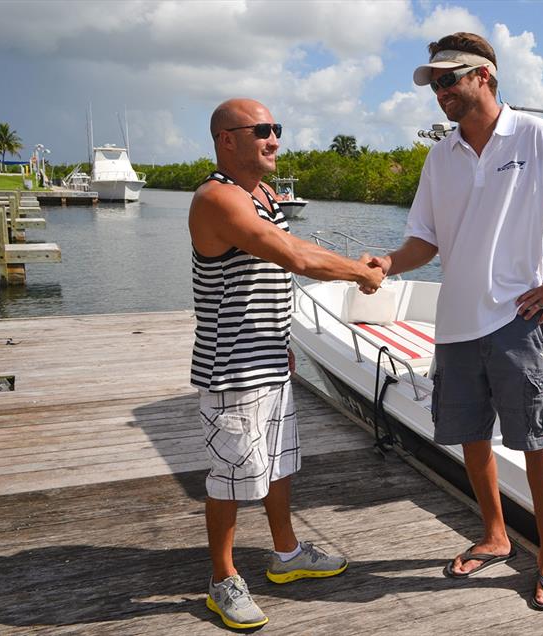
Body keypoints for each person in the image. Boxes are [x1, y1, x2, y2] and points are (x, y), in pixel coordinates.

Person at [370, 33, 543, 611]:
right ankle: (496, 534)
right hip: (454, 323)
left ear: (484, 75)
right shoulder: (441, 154)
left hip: (515, 321)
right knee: (472, 439)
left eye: (447, 79)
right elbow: (423, 242)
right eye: (433, 83)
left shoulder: (535, 136)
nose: (439, 92)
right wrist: (386, 262)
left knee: (535, 439)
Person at [188, 98, 385, 630]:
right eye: (263, 131)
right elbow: (292, 256)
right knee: (229, 477)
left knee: (278, 464)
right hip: (231, 368)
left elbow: (288, 243)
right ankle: (222, 579)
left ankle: (287, 554)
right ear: (227, 140)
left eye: (277, 129)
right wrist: (358, 272)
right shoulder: (217, 198)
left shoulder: (264, 194)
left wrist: (282, 342)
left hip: (269, 358)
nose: (275, 138)